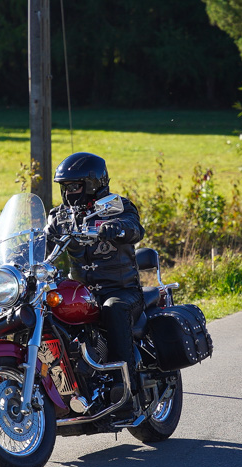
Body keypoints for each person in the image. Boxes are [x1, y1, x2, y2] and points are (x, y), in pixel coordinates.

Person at [44, 152, 146, 410]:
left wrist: (117, 228)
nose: (68, 194)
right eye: (64, 188)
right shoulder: (60, 217)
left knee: (113, 307)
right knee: (46, 311)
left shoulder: (117, 207)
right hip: (81, 293)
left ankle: (124, 387)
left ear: (92, 185)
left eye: (74, 187)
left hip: (122, 292)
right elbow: (41, 245)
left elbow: (134, 227)